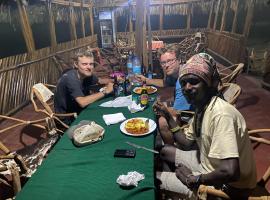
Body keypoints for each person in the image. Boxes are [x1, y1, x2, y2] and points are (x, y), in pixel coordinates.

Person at [153, 54, 257, 200]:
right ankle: (176, 191)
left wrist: (193, 179)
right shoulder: (202, 106)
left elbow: (231, 171)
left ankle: (178, 191)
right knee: (163, 152)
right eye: (183, 83)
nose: (187, 88)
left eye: (194, 82)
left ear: (209, 84)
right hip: (208, 164)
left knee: (154, 179)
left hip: (228, 189)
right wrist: (168, 117)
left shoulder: (221, 114)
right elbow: (186, 142)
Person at [54, 49, 114, 125]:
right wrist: (105, 91)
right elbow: (82, 102)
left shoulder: (86, 74)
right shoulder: (70, 78)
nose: (89, 67)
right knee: (104, 119)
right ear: (76, 64)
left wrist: (115, 80)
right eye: (84, 64)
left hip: (80, 109)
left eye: (91, 64)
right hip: (68, 118)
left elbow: (100, 80)